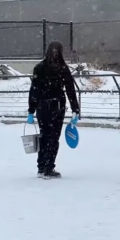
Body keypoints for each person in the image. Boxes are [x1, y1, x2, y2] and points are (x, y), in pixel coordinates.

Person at [27, 41, 80, 179]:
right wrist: (75, 109)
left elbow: (34, 89)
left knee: (44, 135)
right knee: (53, 138)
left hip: (42, 107)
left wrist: (31, 110)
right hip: (56, 106)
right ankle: (49, 168)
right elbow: (70, 89)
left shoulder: (39, 67)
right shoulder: (62, 67)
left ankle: (41, 167)